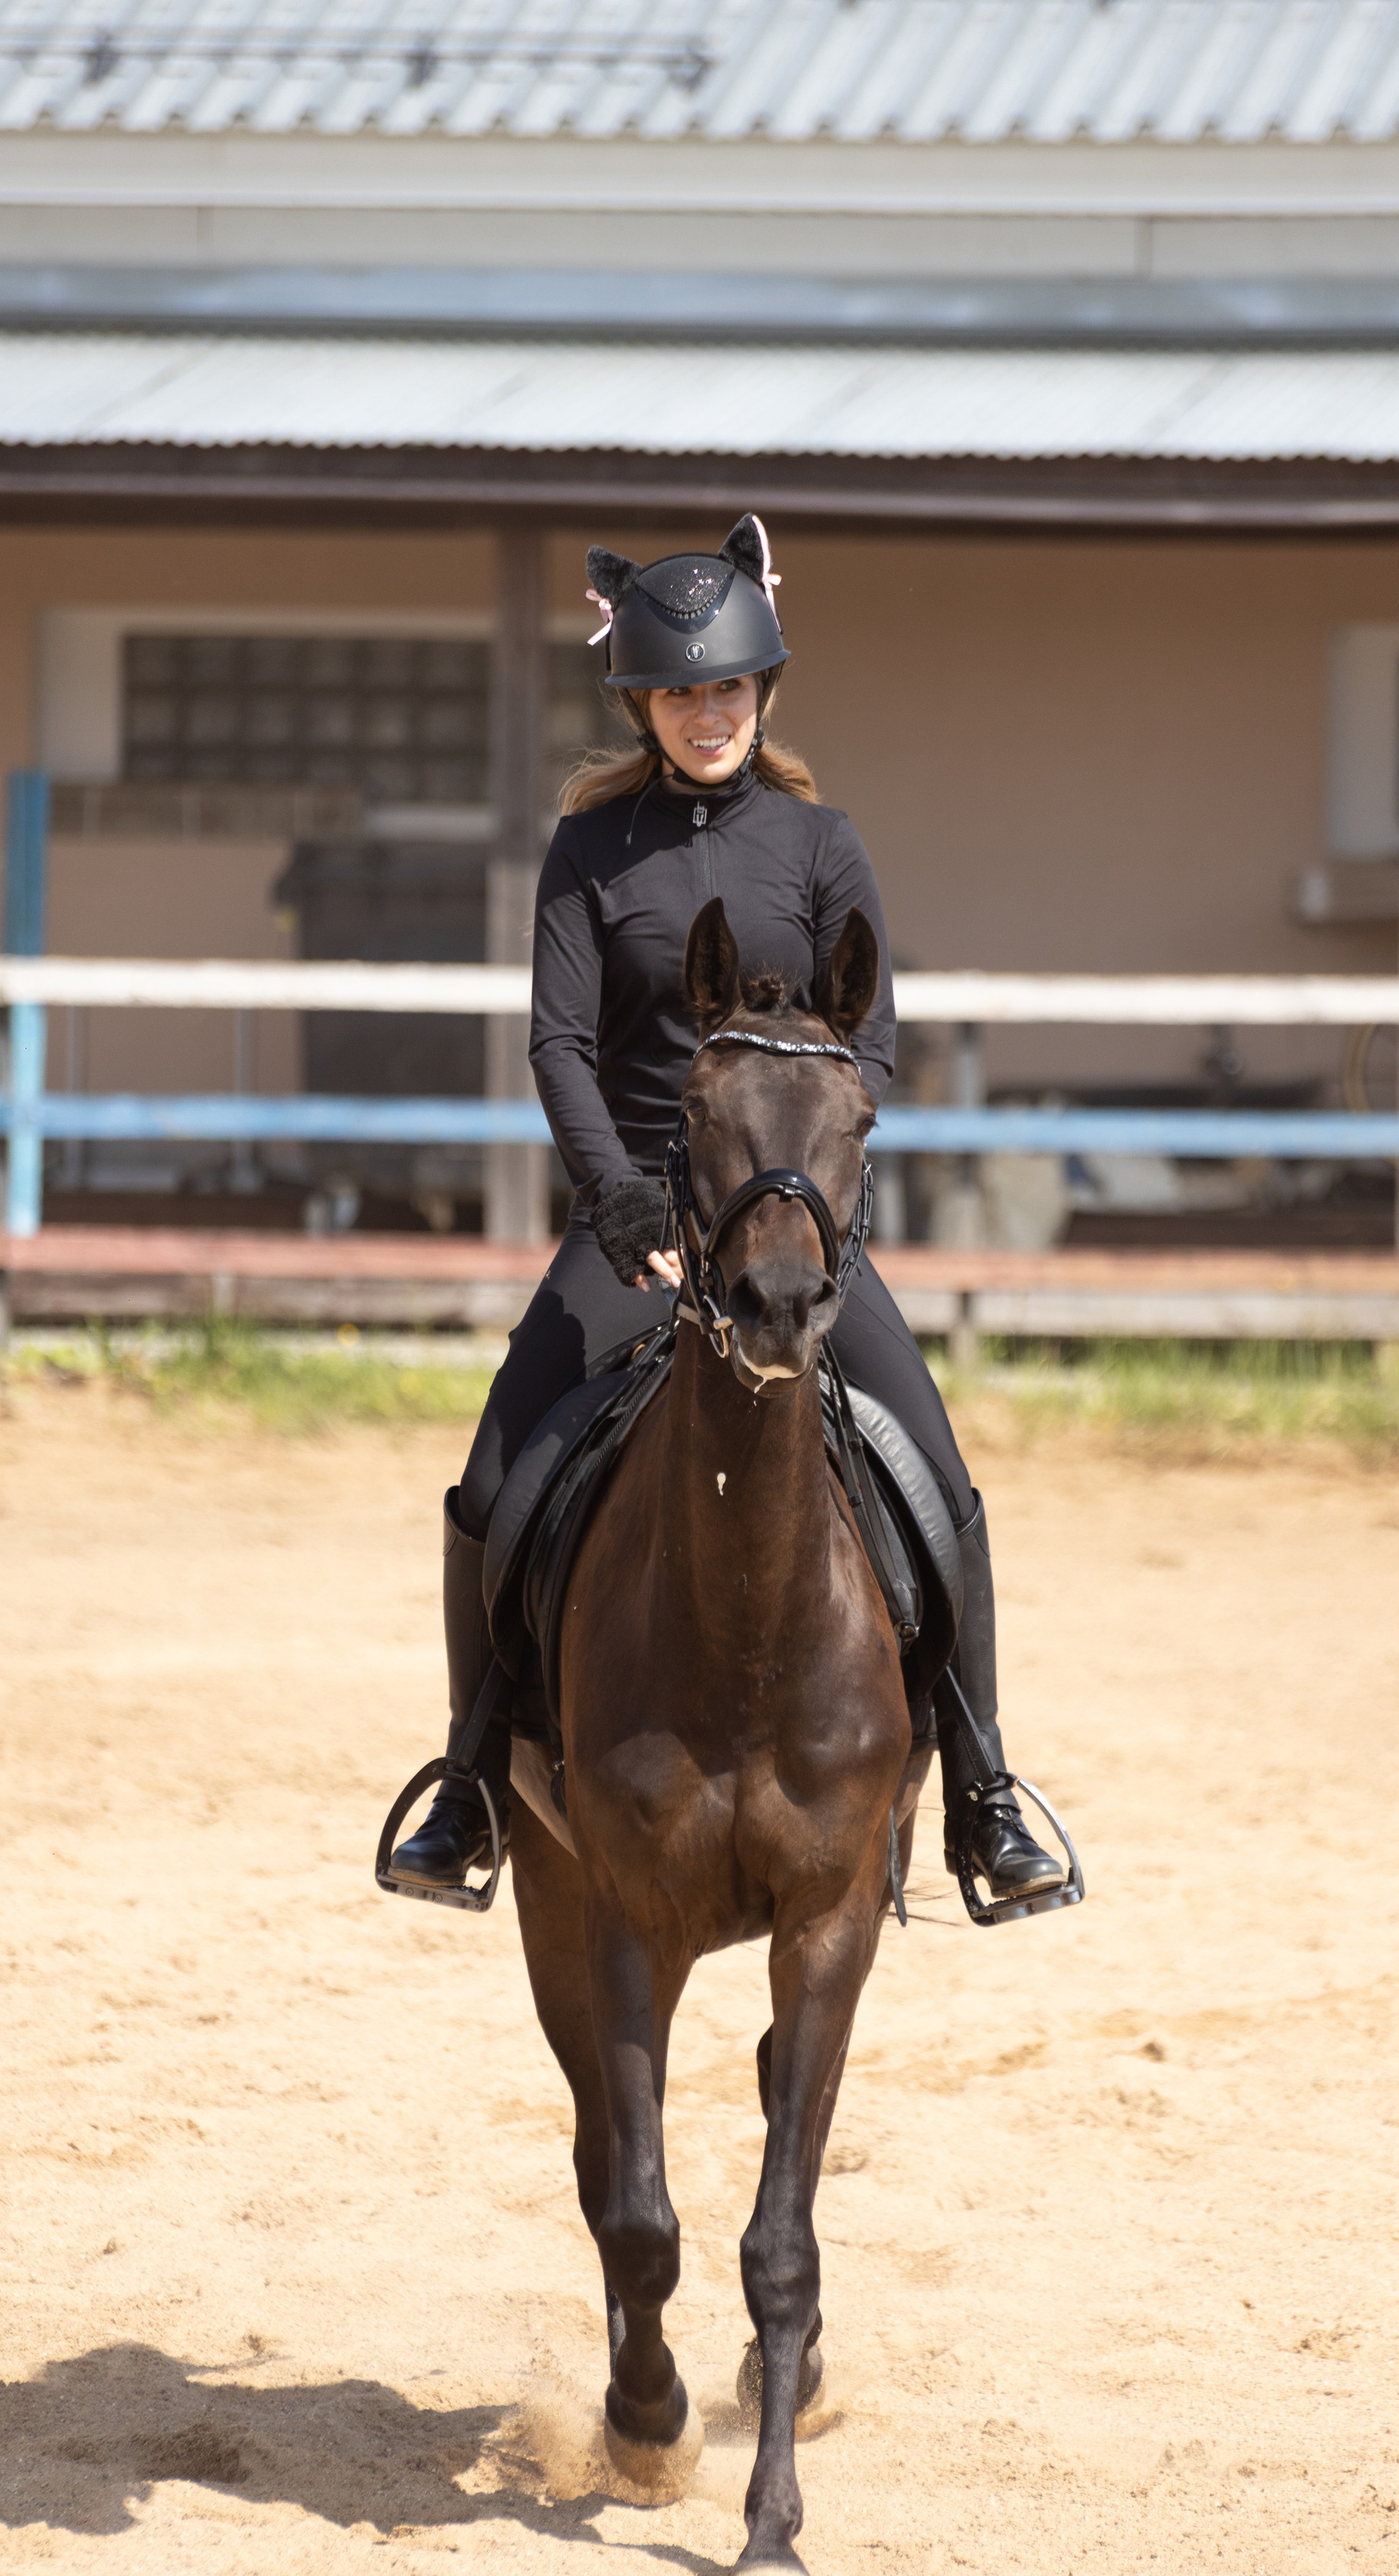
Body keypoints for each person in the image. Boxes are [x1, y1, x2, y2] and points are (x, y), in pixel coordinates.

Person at [387, 514, 1065, 1915]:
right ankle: (466, 1784)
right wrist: (622, 1195)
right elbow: (559, 1048)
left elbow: (866, 1049)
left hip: (796, 1225)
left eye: (732, 690)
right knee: (499, 1471)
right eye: (686, 693)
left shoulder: (822, 846)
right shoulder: (589, 852)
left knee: (935, 1470)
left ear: (764, 695)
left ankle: (987, 1785)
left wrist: (818, 1205)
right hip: (641, 1213)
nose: (710, 714)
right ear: (645, 702)